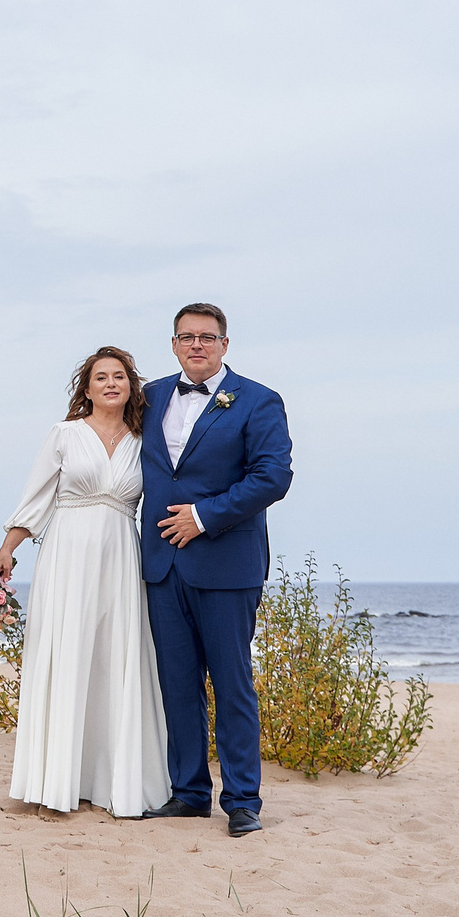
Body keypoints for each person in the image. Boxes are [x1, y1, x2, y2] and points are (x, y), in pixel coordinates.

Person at [0, 346, 172, 819]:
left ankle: (110, 783)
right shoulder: (65, 434)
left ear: (132, 387)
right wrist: (9, 547)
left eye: (119, 377)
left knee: (115, 661)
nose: (110, 383)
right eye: (100, 377)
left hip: (121, 558)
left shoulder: (144, 439)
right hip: (67, 554)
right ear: (86, 388)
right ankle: (53, 786)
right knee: (66, 656)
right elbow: (36, 497)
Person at [138, 303, 293, 837]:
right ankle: (188, 794)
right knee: (176, 685)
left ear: (225, 344)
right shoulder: (151, 396)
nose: (196, 345)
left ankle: (243, 800)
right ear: (174, 344)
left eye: (207, 337)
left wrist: (205, 517)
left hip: (227, 563)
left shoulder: (258, 400)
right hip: (161, 565)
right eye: (186, 337)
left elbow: (273, 476)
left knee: (232, 685)